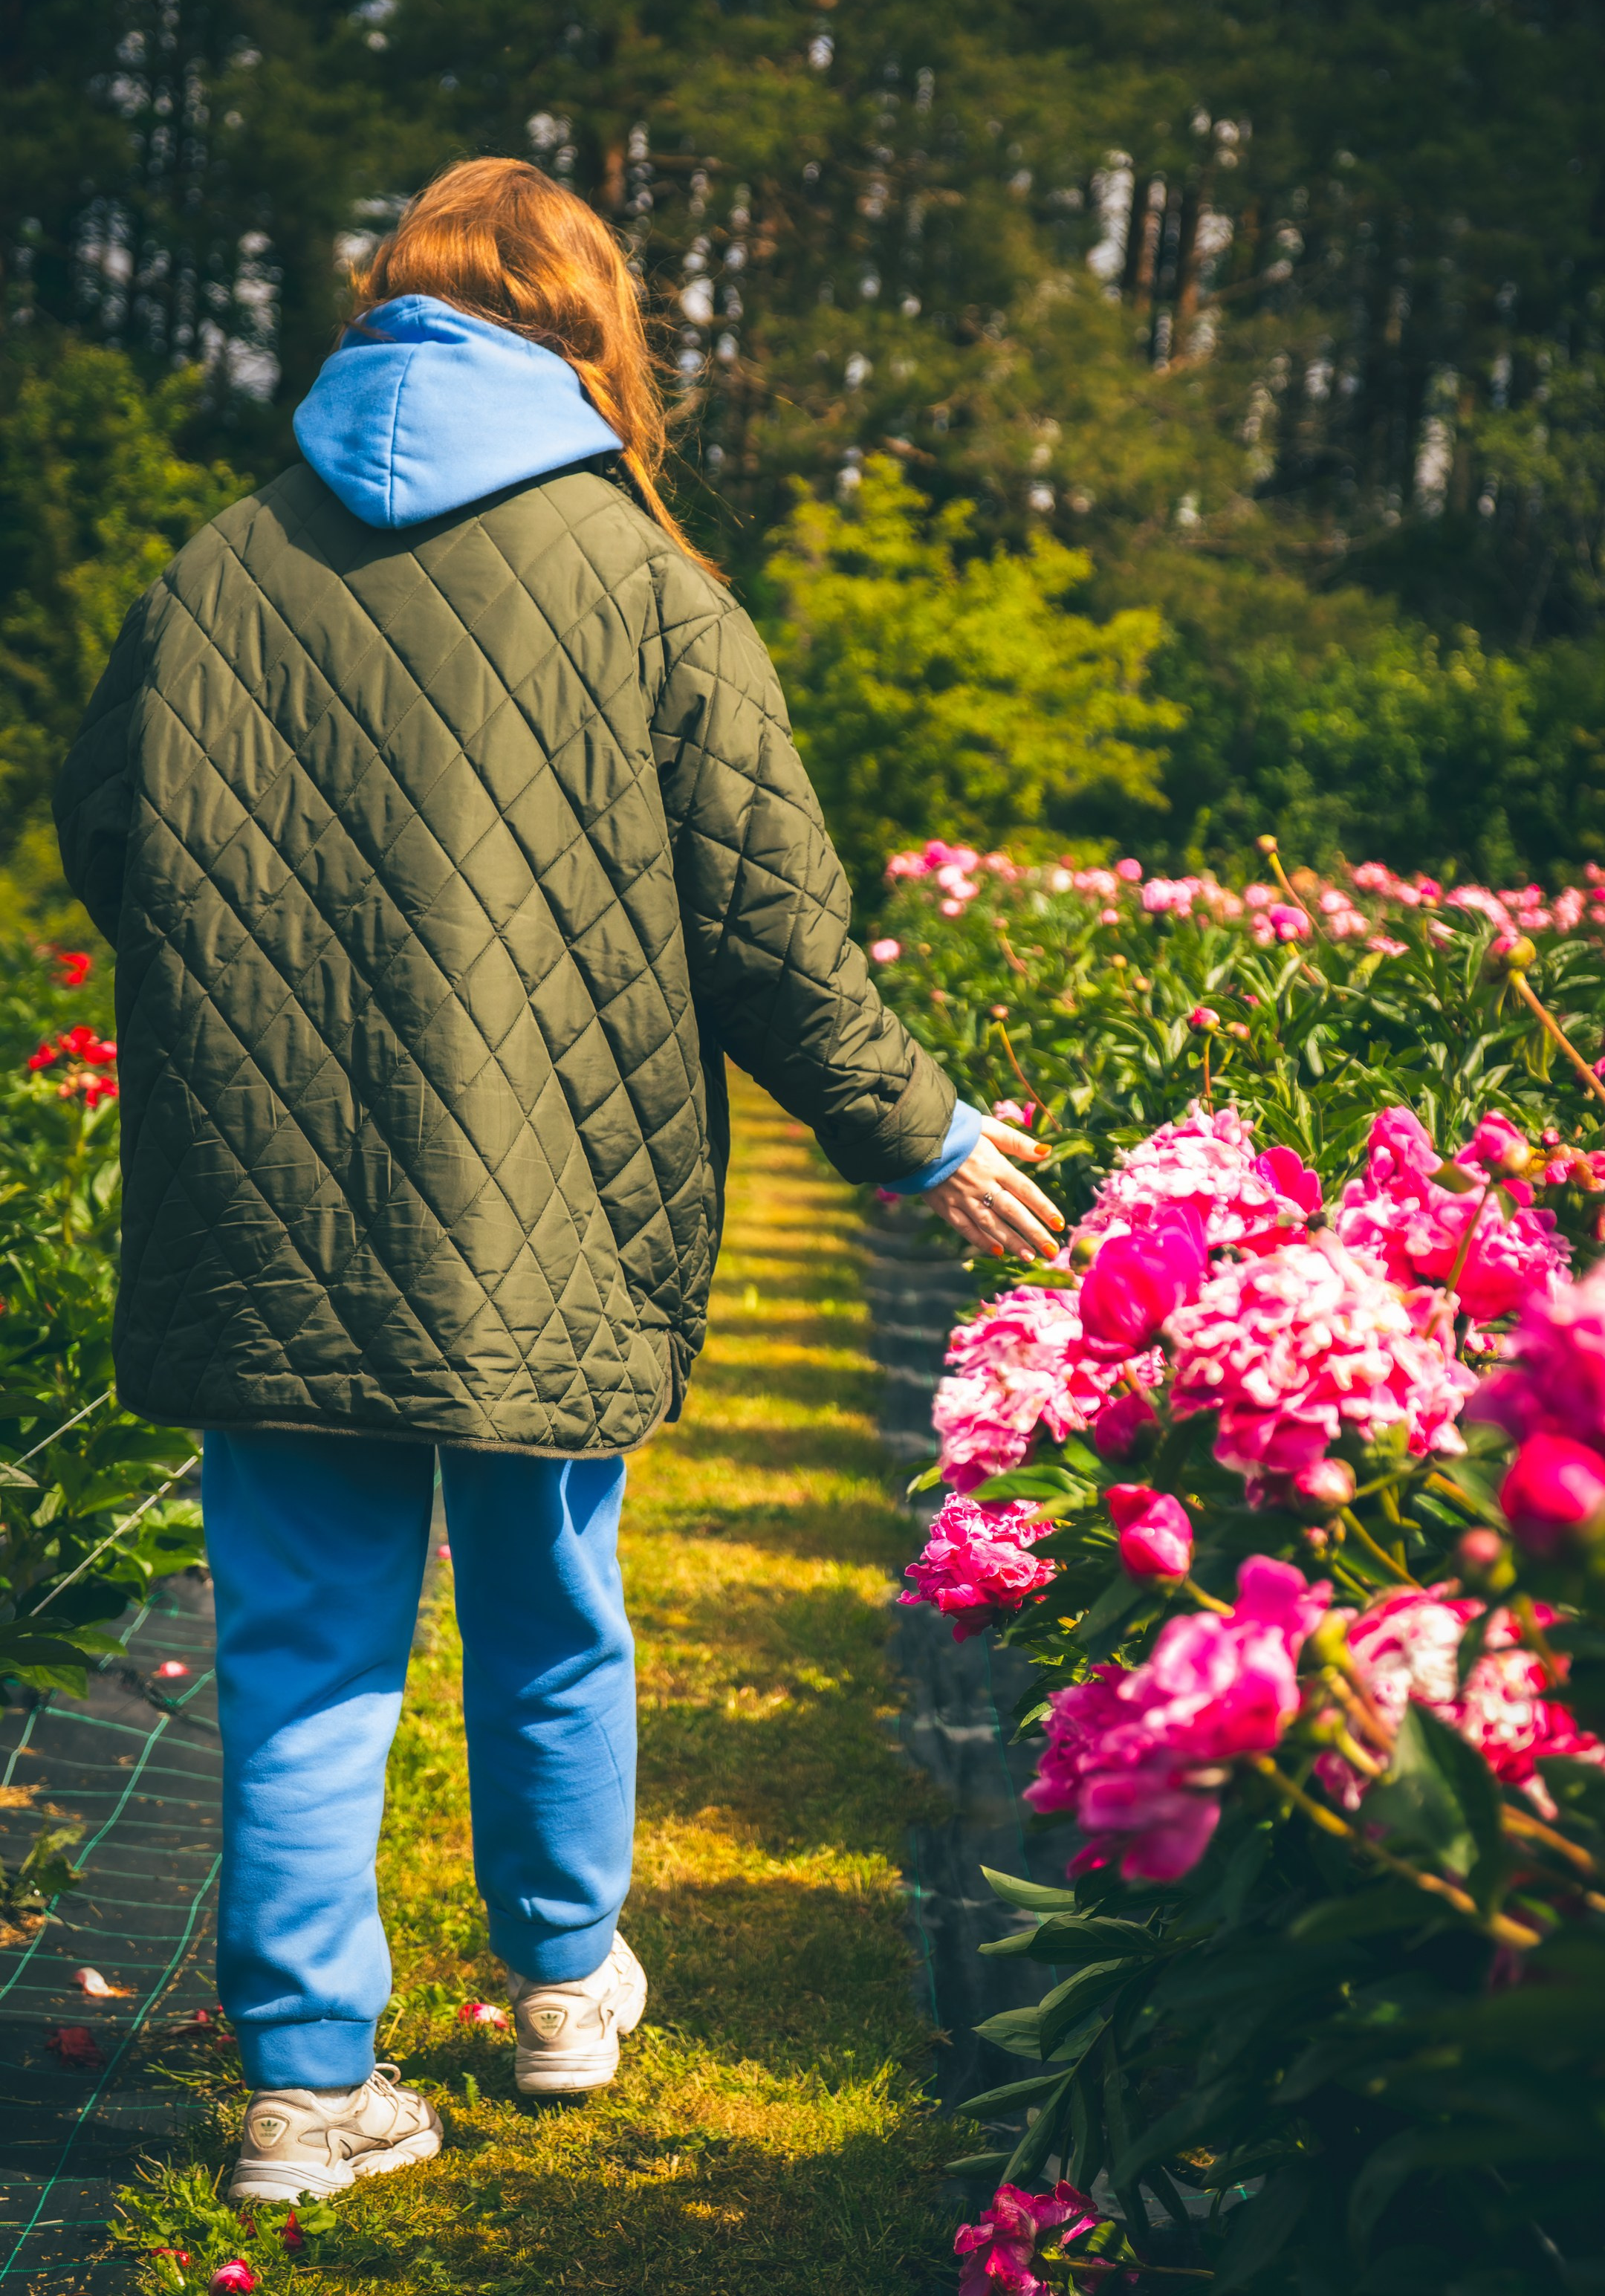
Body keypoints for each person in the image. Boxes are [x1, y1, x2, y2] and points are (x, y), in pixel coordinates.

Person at [52, 157, 1063, 2204]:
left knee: (300, 1643)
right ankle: (559, 1989)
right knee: (554, 1610)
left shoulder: (220, 566)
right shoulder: (642, 582)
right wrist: (924, 1131)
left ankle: (303, 2086)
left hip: (268, 1205)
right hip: (552, 1206)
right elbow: (772, 928)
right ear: (590, 331)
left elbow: (108, 844)